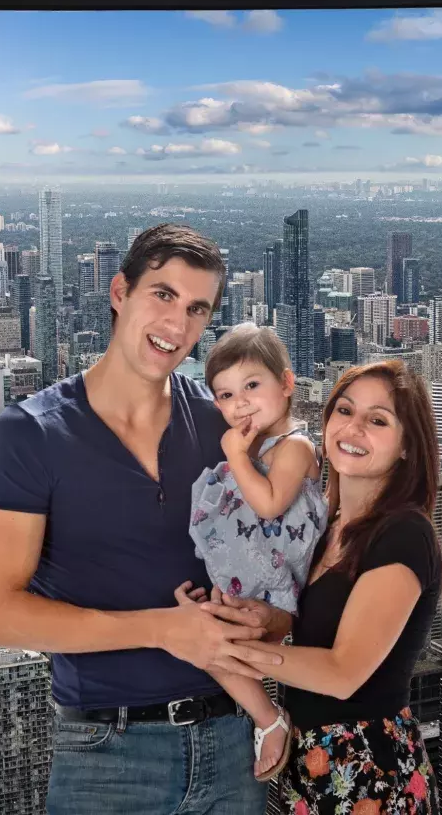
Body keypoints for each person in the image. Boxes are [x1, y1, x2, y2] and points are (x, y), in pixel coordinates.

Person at [0, 224, 283, 815]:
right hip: (106, 755)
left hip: (234, 742)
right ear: (120, 292)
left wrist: (265, 616)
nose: (176, 325)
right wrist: (162, 629)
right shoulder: (29, 435)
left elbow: (273, 561)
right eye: (161, 295)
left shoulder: (223, 428)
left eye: (196, 309)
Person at [197, 360, 442, 814]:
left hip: (370, 770)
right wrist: (242, 620)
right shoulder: (326, 527)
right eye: (344, 410)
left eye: (377, 420)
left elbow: (342, 672)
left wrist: (227, 650)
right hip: (312, 763)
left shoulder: (405, 533)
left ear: (408, 444)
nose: (353, 428)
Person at [179, 322, 327, 782]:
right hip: (252, 574)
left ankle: (268, 719)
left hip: (276, 580)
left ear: (286, 384)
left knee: (217, 644)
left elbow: (269, 504)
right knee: (204, 645)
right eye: (223, 395)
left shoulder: (296, 446)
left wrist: (235, 455)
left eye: (251, 386)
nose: (238, 402)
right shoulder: (258, 446)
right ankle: (269, 716)